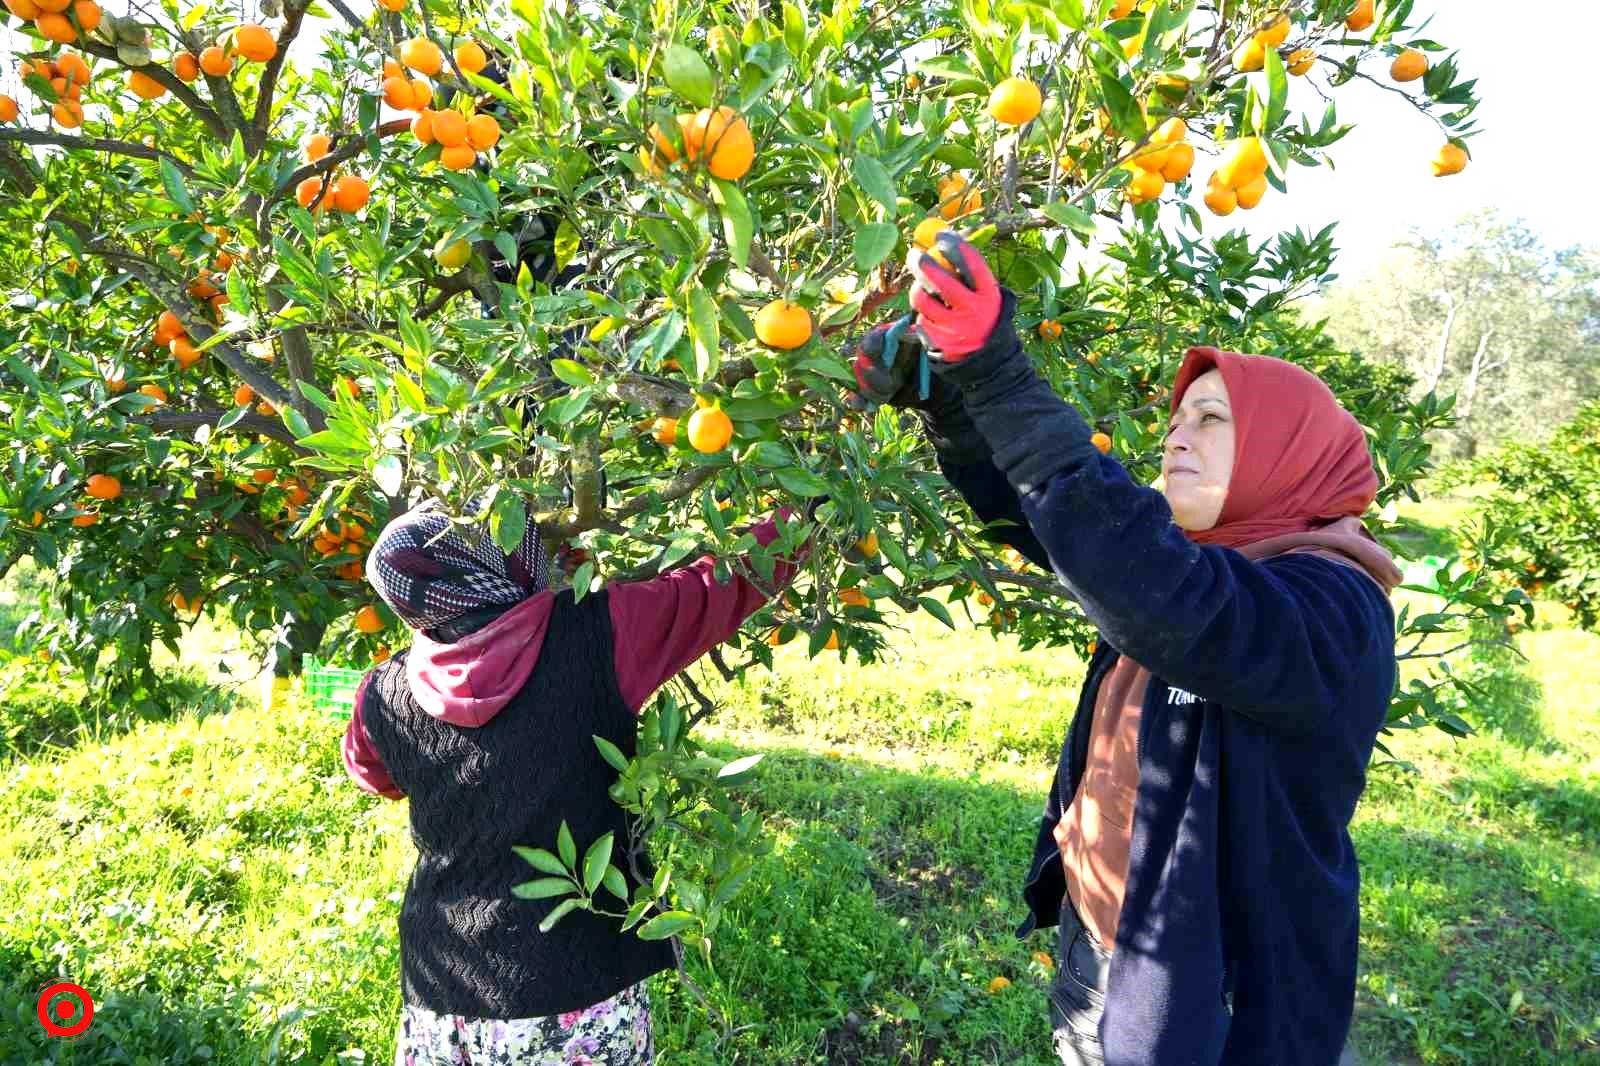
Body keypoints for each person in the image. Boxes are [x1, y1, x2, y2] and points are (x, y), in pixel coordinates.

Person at [849, 231, 1402, 1066]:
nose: (1177, 437)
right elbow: (1063, 531)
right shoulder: (1211, 561)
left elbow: (1161, 596)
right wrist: (953, 410)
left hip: (1205, 989)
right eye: (1178, 420)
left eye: (1213, 421)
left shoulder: (1334, 608)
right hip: (1100, 937)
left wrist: (999, 376)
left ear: (1289, 456)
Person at [340, 499, 810, 1065]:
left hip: (443, 989)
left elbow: (373, 775)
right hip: (576, 993)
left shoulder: (383, 694)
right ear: (493, 557)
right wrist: (812, 499)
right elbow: (724, 584)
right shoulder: (601, 631)